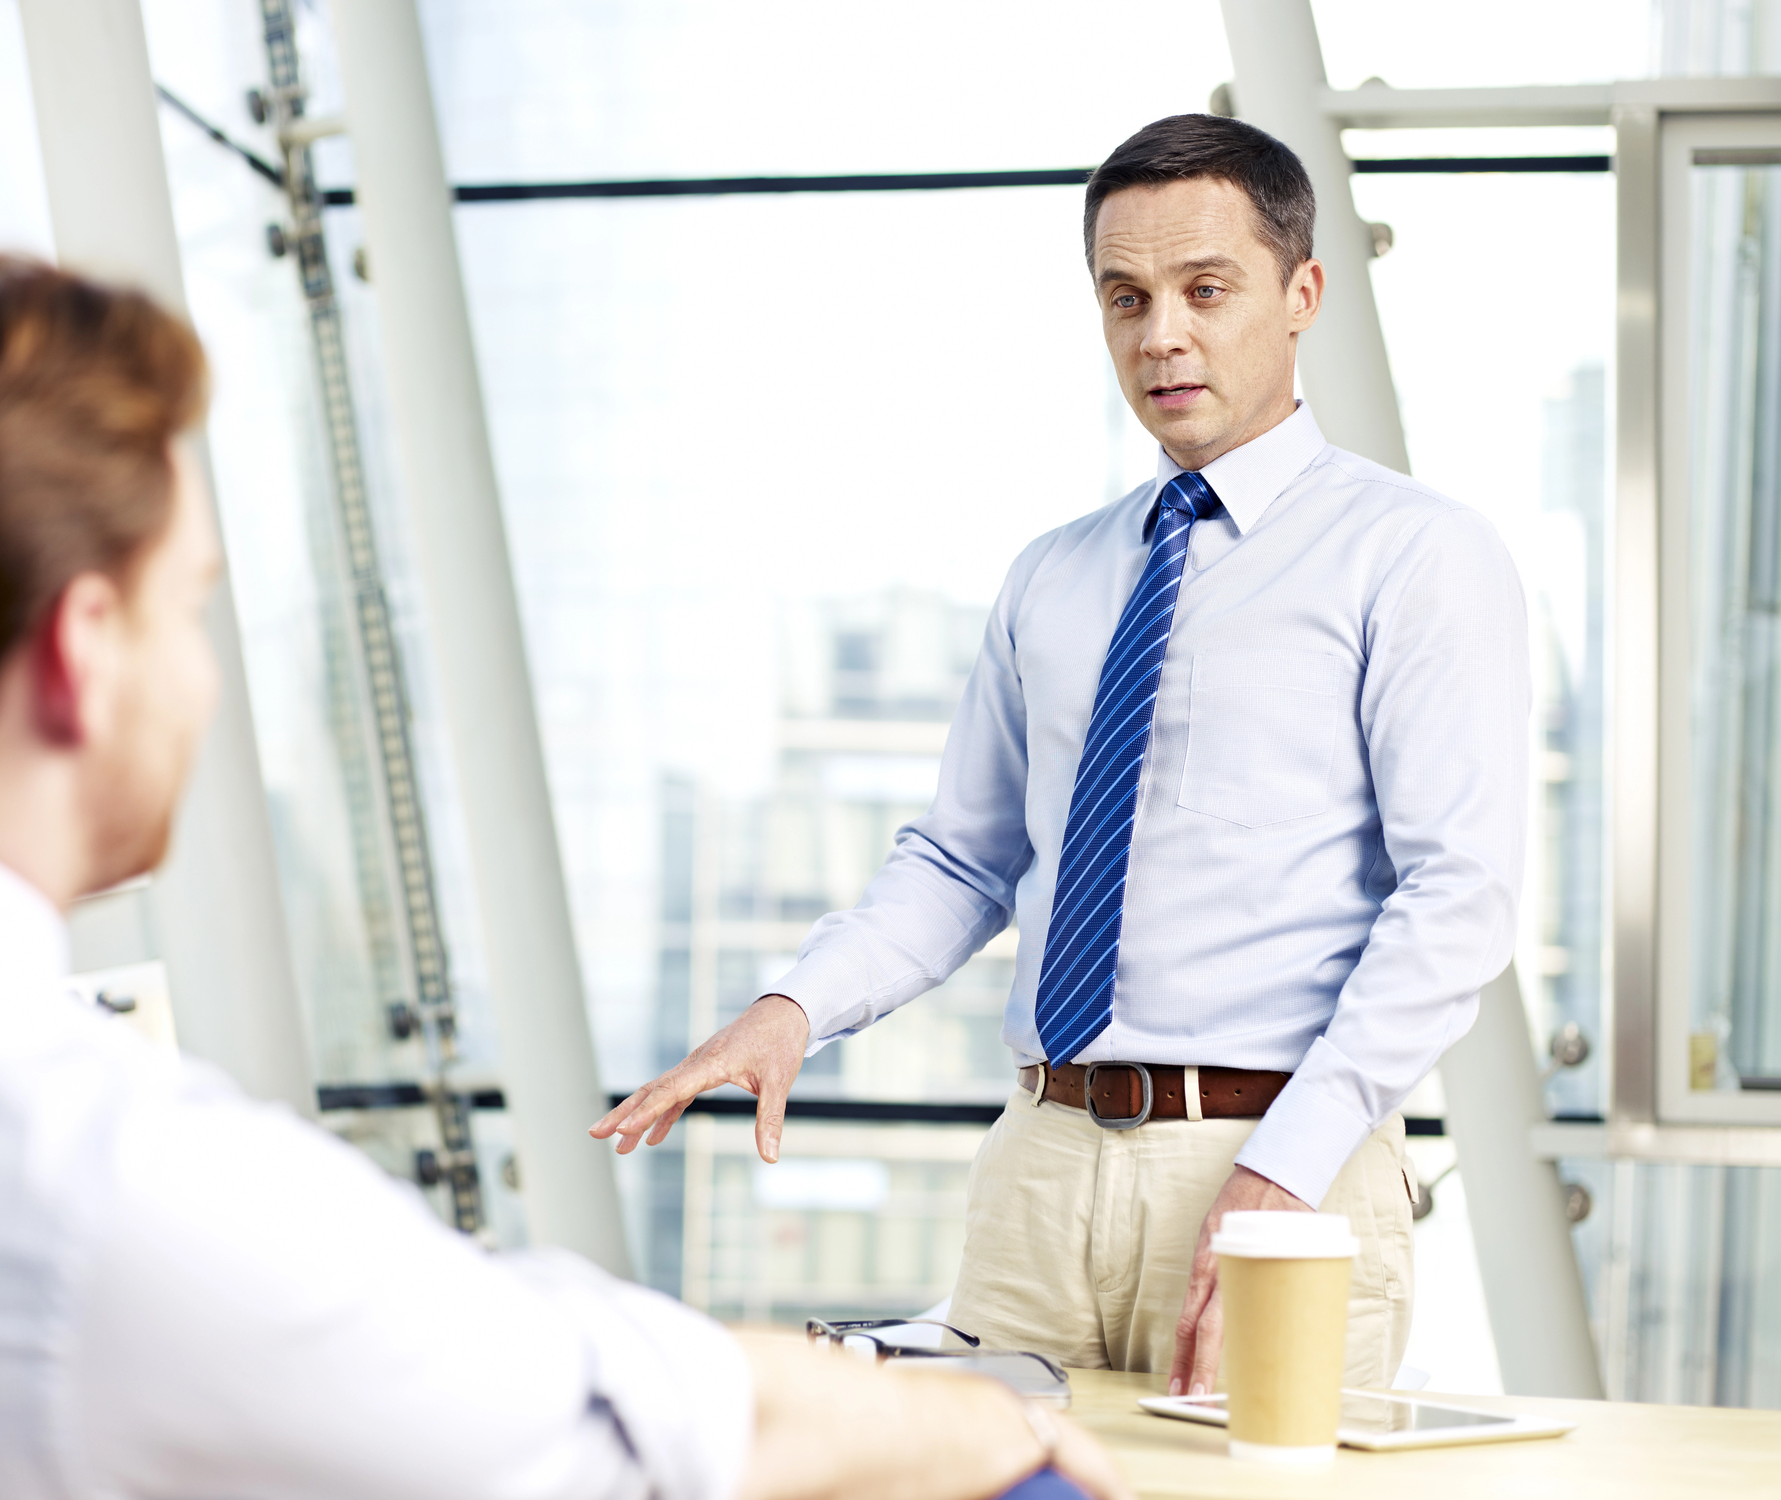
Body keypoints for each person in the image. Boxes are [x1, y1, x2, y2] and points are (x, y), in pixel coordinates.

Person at [0, 256, 1127, 1500]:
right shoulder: (106, 1185)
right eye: (187, 608)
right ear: (84, 651)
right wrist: (1004, 1438)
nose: (203, 676)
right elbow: (657, 1438)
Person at [595, 113, 1529, 1400]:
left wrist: (1282, 1169)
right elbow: (964, 858)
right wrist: (789, 1010)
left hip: (1275, 1163)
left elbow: (1456, 898)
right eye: (1125, 297)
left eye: (1206, 291)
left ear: (1301, 293)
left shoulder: (1415, 556)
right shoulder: (1055, 575)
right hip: (1038, 1167)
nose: (1161, 335)